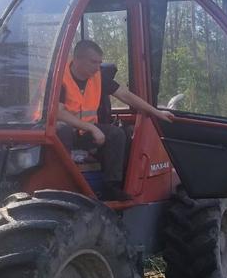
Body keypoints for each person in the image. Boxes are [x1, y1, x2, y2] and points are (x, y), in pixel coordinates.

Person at [56, 39, 174, 200]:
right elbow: (59, 113)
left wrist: (157, 113)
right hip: (58, 132)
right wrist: (92, 128)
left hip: (85, 132)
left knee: (116, 134)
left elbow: (125, 95)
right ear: (77, 59)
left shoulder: (98, 77)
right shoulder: (58, 77)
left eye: (99, 62)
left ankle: (111, 187)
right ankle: (62, 186)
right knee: (62, 130)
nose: (97, 67)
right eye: (93, 62)